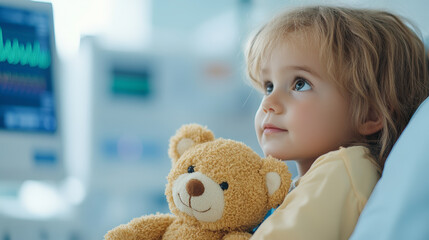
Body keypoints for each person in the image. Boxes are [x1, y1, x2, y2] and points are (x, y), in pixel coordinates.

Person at [244, 5, 429, 240]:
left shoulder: (342, 169)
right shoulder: (315, 178)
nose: (269, 102)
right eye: (269, 85)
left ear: (369, 114)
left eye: (300, 83)